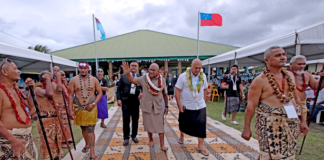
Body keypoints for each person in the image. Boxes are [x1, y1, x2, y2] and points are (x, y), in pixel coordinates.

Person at [242, 46, 309, 159]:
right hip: (269, 124)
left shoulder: (290, 75)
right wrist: (246, 128)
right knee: (268, 155)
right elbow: (251, 105)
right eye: (278, 55)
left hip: (291, 122)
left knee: (288, 155)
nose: (282, 57)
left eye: (283, 54)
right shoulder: (260, 80)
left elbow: (296, 99)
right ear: (267, 60)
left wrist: (302, 120)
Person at [121, 62, 169, 151]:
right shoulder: (144, 78)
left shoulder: (162, 80)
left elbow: (165, 94)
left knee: (160, 126)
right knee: (148, 125)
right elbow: (132, 80)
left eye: (153, 70)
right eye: (150, 69)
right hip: (147, 106)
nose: (151, 71)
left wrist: (166, 106)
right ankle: (150, 139)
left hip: (158, 106)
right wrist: (127, 72)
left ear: (158, 71)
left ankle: (162, 145)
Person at [0, 58, 37, 159]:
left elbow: (30, 106)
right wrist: (12, 140)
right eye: (15, 69)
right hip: (8, 142)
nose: (19, 71)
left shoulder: (15, 89)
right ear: (5, 72)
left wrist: (31, 90)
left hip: (25, 139)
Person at [68, 61, 102, 160]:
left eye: (85, 68)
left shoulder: (94, 80)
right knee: (83, 129)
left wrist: (93, 104)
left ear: (88, 69)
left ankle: (92, 153)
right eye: (81, 68)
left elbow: (99, 93)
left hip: (91, 108)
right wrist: (70, 110)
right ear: (79, 69)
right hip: (79, 109)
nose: (83, 70)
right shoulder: (73, 80)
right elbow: (70, 95)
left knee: (90, 130)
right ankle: (87, 143)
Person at [175, 59, 209, 156]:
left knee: (202, 125)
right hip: (186, 105)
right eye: (196, 68)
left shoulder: (203, 76)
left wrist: (204, 101)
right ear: (191, 66)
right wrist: (179, 104)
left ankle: (200, 146)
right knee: (183, 123)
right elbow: (177, 90)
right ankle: (181, 136)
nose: (198, 70)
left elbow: (205, 88)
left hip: (200, 105)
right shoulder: (183, 76)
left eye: (199, 68)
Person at [34, 71, 63, 159]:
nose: (50, 75)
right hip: (45, 119)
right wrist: (47, 79)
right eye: (47, 74)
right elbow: (49, 94)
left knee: (57, 141)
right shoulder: (37, 89)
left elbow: (59, 89)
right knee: (47, 144)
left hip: (54, 117)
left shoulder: (50, 86)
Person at [117, 62, 142, 146]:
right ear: (129, 67)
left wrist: (142, 94)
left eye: (135, 66)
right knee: (126, 119)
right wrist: (119, 99)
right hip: (126, 102)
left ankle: (134, 136)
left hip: (135, 101)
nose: (134, 67)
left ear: (138, 67)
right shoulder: (123, 76)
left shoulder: (140, 77)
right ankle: (126, 137)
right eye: (132, 66)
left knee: (135, 119)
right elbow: (119, 89)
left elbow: (143, 89)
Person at [52, 69, 73, 148]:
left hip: (66, 106)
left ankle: (68, 138)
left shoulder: (63, 83)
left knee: (68, 124)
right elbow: (59, 89)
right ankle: (63, 141)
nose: (64, 76)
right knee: (62, 125)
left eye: (64, 75)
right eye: (62, 75)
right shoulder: (54, 83)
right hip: (60, 106)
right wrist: (58, 78)